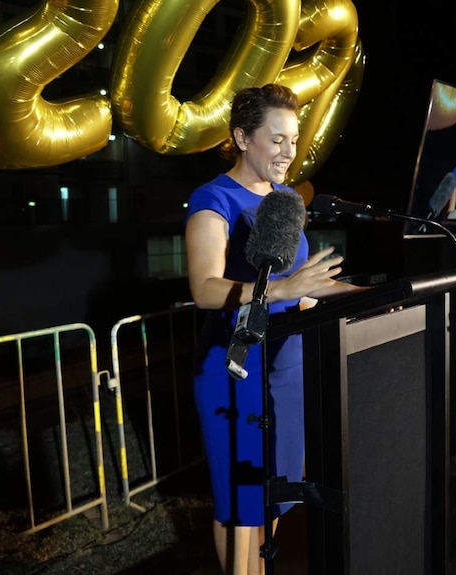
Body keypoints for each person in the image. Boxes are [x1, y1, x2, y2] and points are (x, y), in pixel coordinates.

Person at [184, 83, 364, 575]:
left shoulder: (285, 201)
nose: (290, 151)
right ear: (243, 138)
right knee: (240, 502)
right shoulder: (213, 198)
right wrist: (283, 292)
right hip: (234, 371)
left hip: (288, 370)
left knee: (277, 497)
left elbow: (301, 285)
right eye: (277, 138)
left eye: (294, 138)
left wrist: (378, 299)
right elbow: (204, 288)